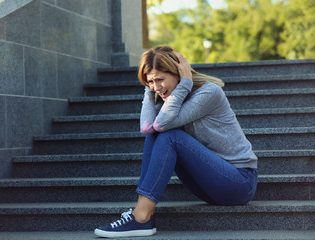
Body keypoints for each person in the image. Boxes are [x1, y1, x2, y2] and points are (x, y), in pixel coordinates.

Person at [94, 46, 258, 238]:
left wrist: (185, 82)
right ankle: (143, 212)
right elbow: (147, 126)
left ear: (177, 72)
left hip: (239, 182)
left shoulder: (209, 93)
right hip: (208, 184)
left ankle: (141, 216)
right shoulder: (169, 100)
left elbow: (164, 123)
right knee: (154, 133)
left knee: (169, 135)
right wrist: (149, 90)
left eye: (160, 79)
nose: (157, 87)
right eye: (150, 82)